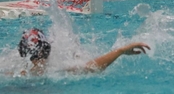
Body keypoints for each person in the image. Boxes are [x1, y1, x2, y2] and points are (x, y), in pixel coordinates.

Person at [18, 28, 150, 75]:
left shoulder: (13, 72)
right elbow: (93, 67)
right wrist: (120, 51)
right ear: (45, 51)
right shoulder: (53, 71)